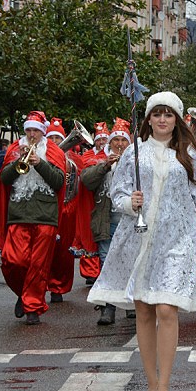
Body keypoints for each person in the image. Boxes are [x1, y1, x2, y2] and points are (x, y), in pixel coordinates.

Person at [87, 91, 196, 391]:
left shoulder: (189, 154)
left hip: (176, 240)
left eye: (169, 114)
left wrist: (174, 210)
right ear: (149, 118)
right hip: (138, 237)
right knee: (144, 311)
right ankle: (151, 386)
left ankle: (165, 389)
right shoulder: (133, 153)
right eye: (158, 114)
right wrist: (131, 203)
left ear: (177, 119)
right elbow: (118, 193)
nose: (163, 120)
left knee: (167, 309)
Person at [0, 111, 67, 325]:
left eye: (36, 130)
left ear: (42, 132)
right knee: (13, 261)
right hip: (18, 214)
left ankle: (32, 307)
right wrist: (18, 162)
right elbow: (3, 179)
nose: (32, 134)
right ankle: (24, 294)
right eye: (29, 130)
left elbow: (59, 182)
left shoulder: (53, 151)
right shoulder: (15, 148)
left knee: (38, 266)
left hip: (45, 216)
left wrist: (39, 162)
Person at [80, 119, 131, 325]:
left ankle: (130, 306)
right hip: (106, 220)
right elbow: (86, 180)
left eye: (123, 140)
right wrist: (105, 166)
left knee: (129, 261)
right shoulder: (98, 159)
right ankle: (108, 308)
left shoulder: (136, 160)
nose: (119, 144)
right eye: (116, 140)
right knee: (106, 263)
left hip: (129, 220)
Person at [44, 117, 83, 304]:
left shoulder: (74, 159)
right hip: (46, 209)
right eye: (50, 138)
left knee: (63, 252)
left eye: (57, 139)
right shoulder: (41, 156)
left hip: (67, 209)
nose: (54, 142)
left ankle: (58, 287)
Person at [77, 122, 110, 285]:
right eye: (99, 139)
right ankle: (90, 271)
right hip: (88, 198)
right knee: (89, 232)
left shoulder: (111, 153)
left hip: (103, 200)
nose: (102, 142)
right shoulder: (88, 155)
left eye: (105, 138)